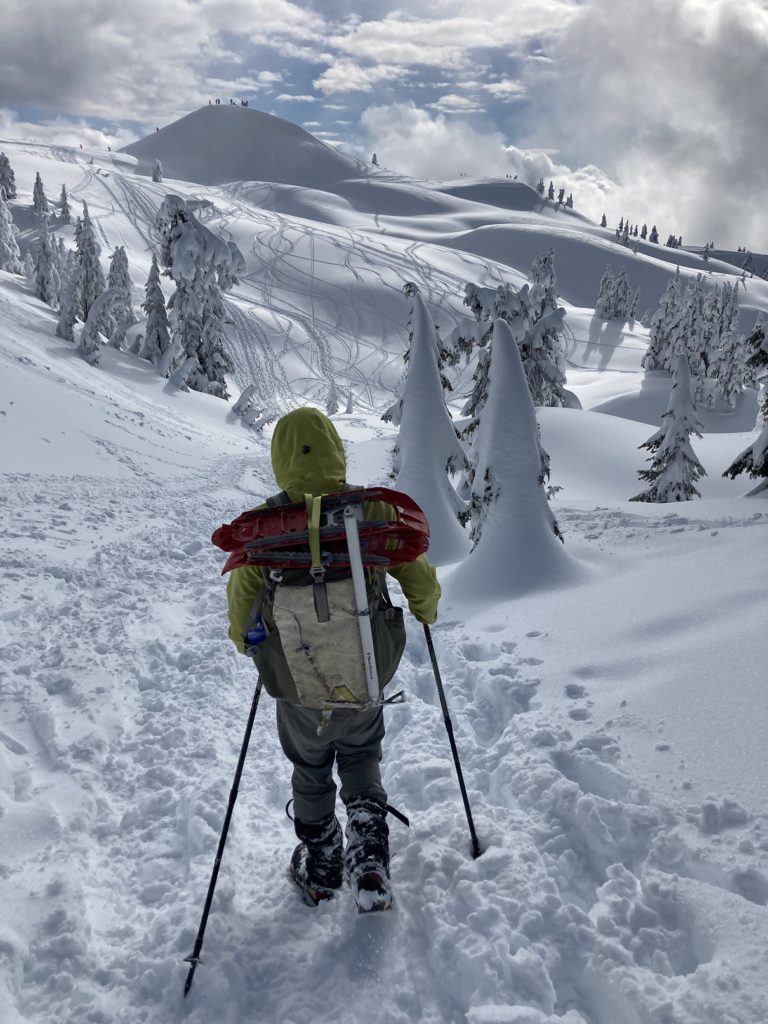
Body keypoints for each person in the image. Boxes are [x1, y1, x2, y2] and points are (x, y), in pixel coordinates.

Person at [226, 408, 440, 909]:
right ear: (336, 451)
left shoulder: (265, 528)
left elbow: (241, 609)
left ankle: (322, 866)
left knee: (310, 763)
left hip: (298, 685)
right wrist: (426, 609)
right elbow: (417, 575)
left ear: (280, 459)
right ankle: (368, 853)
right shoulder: (372, 513)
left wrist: (248, 644)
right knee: (362, 751)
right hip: (363, 669)